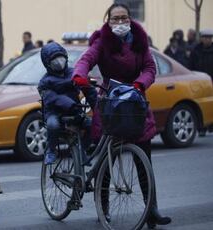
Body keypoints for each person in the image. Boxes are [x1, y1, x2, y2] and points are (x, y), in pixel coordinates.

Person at [72, 3, 171, 228]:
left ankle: (151, 208)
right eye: (115, 19)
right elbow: (85, 60)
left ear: (130, 20)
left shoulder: (139, 41)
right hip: (111, 103)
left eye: (124, 18)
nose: (120, 23)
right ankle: (103, 207)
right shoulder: (101, 42)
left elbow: (150, 69)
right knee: (107, 160)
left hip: (135, 102)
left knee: (144, 159)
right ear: (108, 21)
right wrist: (79, 75)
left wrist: (139, 84)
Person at [38, 42, 96, 164]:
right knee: (53, 125)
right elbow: (52, 98)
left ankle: (82, 150)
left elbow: (87, 89)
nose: (59, 61)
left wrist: (97, 104)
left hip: (75, 111)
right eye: (54, 59)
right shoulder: (44, 82)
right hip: (55, 113)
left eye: (61, 57)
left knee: (92, 124)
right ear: (47, 63)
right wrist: (71, 105)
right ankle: (51, 151)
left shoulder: (75, 73)